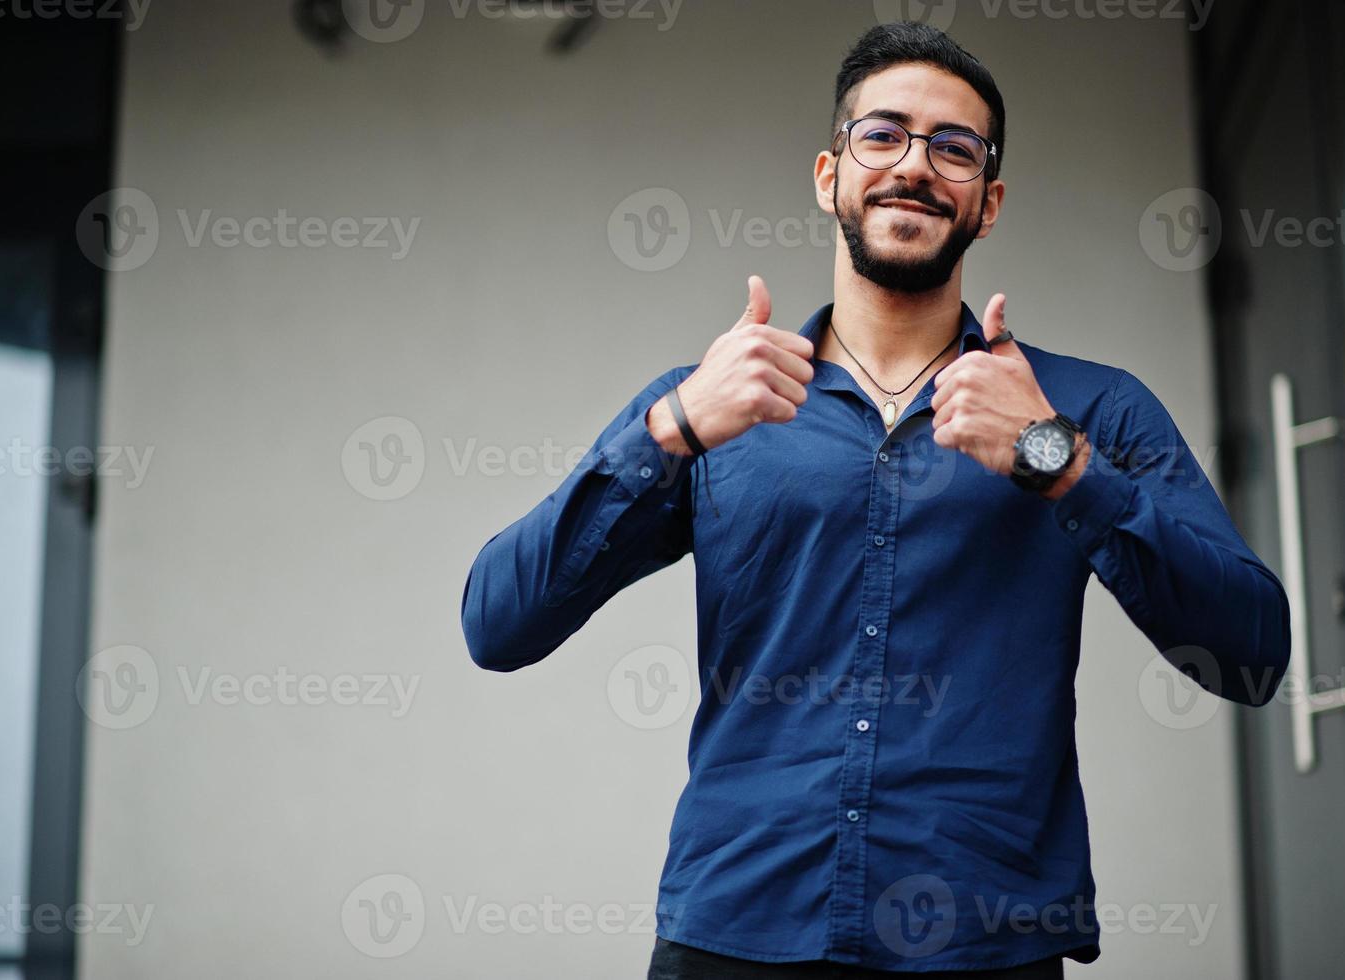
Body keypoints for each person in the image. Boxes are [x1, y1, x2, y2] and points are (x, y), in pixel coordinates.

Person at [461, 21, 1291, 977]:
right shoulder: (713, 403)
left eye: (954, 148)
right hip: (737, 930)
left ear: (987, 203)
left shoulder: (1086, 408)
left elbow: (1251, 654)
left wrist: (1057, 460)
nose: (915, 166)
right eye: (882, 134)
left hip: (984, 939)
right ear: (830, 174)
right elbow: (498, 623)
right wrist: (668, 430)